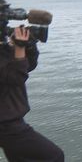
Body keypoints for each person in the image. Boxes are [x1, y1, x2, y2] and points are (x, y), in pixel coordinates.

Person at [0, 25, 64, 161]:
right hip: (7, 125)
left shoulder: (4, 48)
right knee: (55, 156)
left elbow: (29, 65)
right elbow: (16, 77)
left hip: (9, 121)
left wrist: (29, 45)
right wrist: (19, 47)